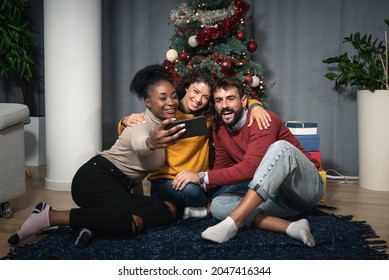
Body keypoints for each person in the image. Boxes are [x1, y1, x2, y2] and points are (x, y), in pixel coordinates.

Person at [8, 64, 187, 248]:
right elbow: (140, 145)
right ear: (148, 102)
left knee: (167, 210)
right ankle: (50, 216)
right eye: (163, 98)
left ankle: (94, 225)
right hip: (94, 178)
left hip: (118, 188)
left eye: (174, 96)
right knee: (133, 221)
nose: (171, 102)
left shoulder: (165, 127)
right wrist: (151, 143)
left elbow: (137, 172)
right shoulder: (139, 123)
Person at [172, 76, 324, 247]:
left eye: (230, 99)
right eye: (219, 101)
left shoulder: (263, 119)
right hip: (276, 196)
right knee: (219, 205)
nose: (225, 106)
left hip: (305, 188)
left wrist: (201, 176)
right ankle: (292, 227)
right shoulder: (219, 129)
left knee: (281, 147)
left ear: (244, 101)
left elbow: (250, 169)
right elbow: (222, 168)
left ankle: (233, 223)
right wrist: (195, 182)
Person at [119, 67, 272, 219]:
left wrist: (255, 105)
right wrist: (124, 121)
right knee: (191, 192)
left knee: (248, 179)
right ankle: (214, 206)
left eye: (205, 97)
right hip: (167, 182)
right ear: (186, 87)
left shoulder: (209, 117)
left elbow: (235, 101)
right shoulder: (167, 112)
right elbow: (136, 127)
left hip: (201, 181)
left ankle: (207, 207)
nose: (199, 100)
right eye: (196, 92)